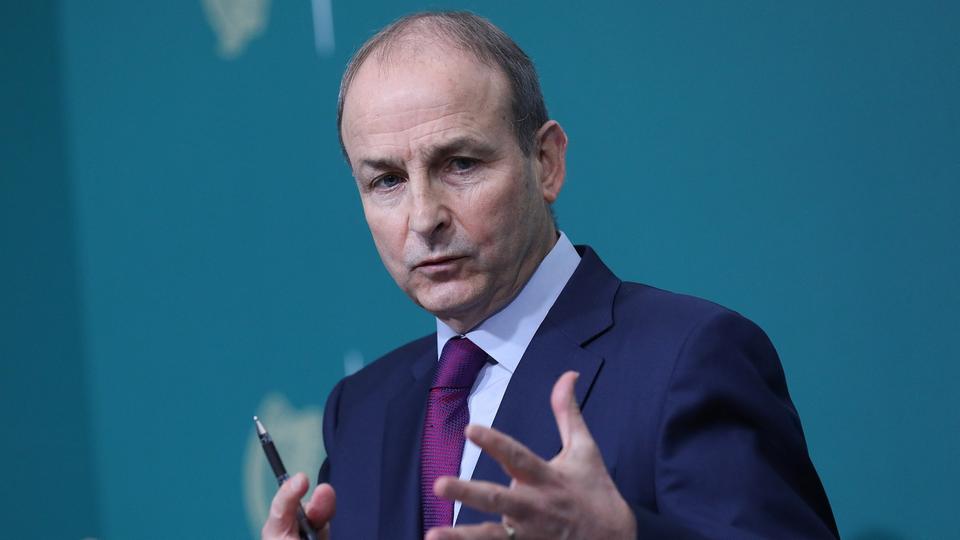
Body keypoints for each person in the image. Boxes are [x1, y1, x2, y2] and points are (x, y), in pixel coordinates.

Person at [262, 11, 839, 540]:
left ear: (546, 162)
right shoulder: (361, 410)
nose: (423, 217)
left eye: (460, 164)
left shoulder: (688, 359)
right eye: (386, 181)